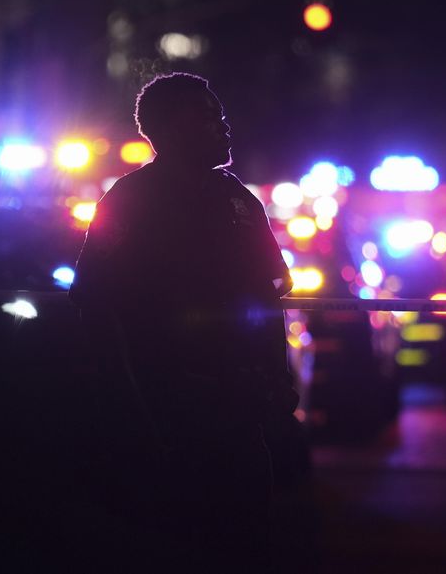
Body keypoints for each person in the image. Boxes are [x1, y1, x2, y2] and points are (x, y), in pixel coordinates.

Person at [69, 73, 297, 571]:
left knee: (246, 531)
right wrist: (125, 395)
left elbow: (272, 288)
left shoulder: (237, 199)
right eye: (210, 116)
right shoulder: (132, 200)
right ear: (172, 128)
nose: (225, 127)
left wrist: (275, 375)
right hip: (161, 406)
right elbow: (91, 293)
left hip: (238, 404)